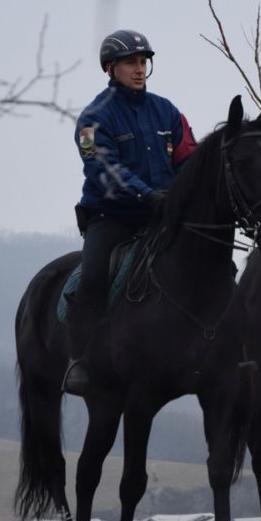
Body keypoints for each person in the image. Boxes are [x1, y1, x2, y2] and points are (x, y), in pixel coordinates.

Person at [62, 29, 196, 395]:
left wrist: (179, 194)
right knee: (92, 277)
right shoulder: (93, 118)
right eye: (130, 63)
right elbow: (104, 169)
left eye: (143, 62)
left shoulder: (167, 110)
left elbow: (188, 158)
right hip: (112, 216)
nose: (139, 70)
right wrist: (146, 195)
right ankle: (79, 359)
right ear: (110, 68)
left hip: (163, 214)